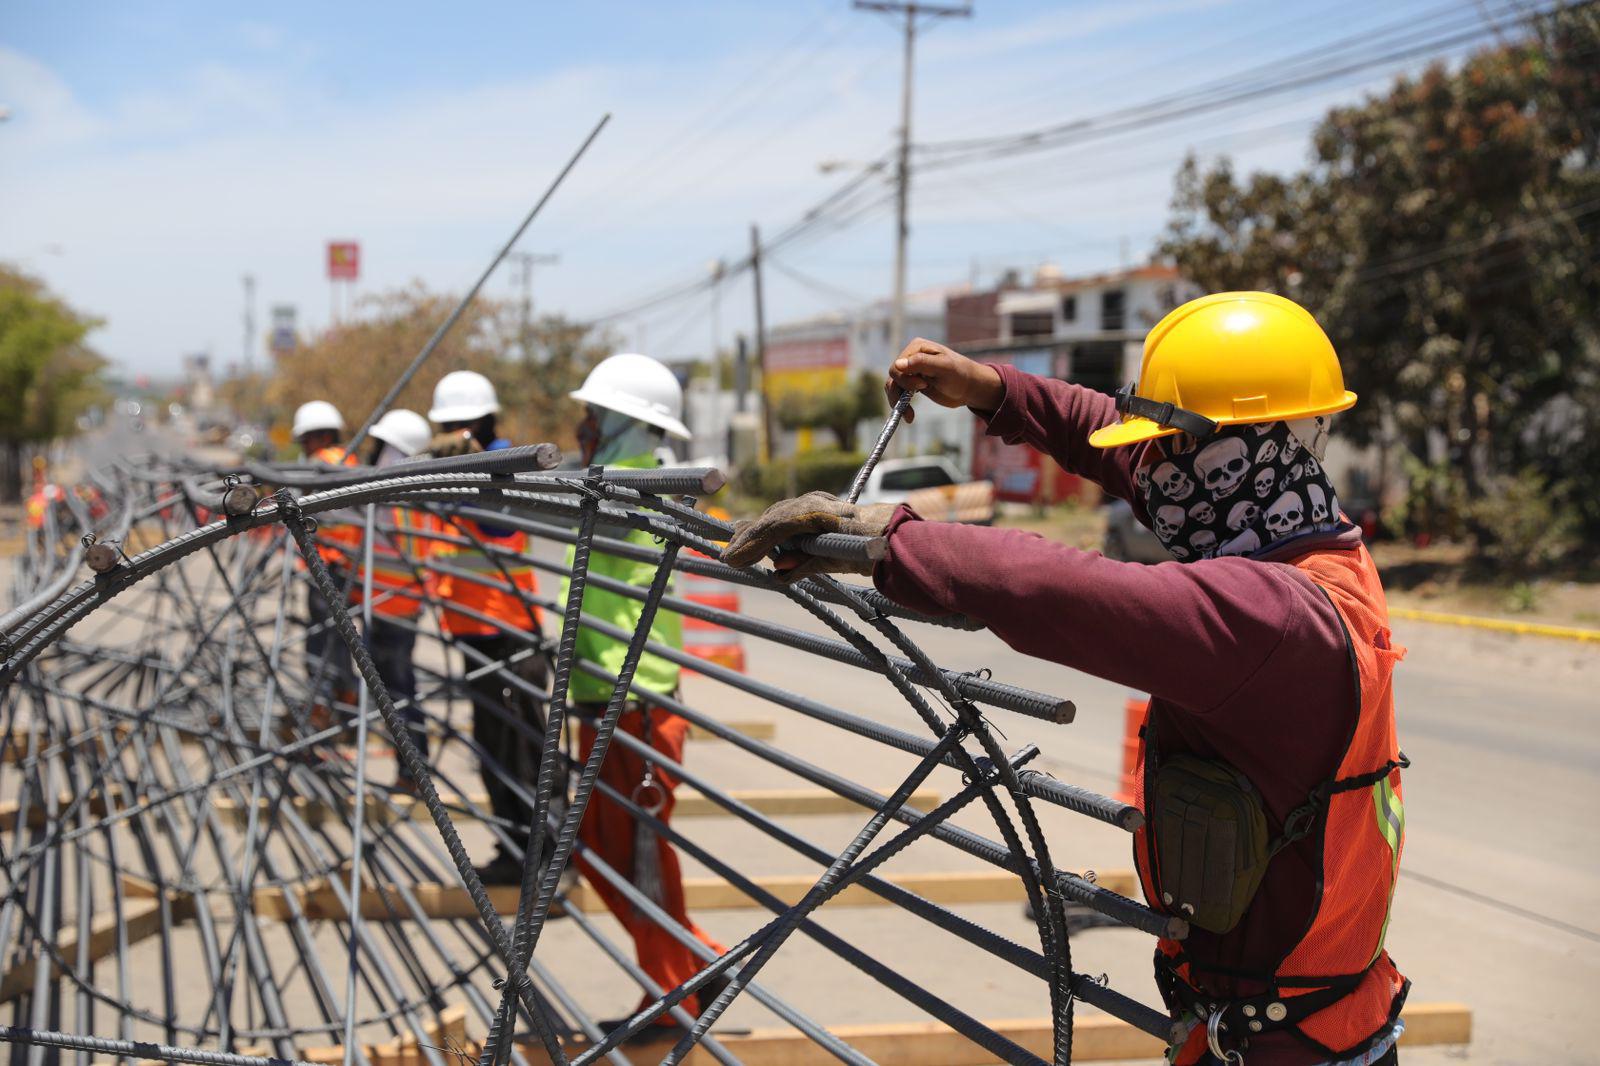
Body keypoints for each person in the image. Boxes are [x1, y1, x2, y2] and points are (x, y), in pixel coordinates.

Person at [725, 292, 1408, 1066]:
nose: (1152, 473)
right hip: (1287, 1020)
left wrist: (893, 543)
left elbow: (1069, 591)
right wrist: (993, 390)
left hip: (1291, 1047)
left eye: (1172, 451)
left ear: (1244, 449)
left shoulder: (1277, 619)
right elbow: (1112, 440)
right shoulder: (1306, 541)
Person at [564, 352, 728, 1029]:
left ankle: (672, 995)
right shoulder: (619, 478)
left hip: (637, 700)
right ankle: (702, 961)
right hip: (609, 694)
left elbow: (584, 500)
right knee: (601, 849)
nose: (583, 425)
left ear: (626, 423)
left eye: (594, 414)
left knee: (639, 856)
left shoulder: (635, 482)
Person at [422, 371, 550, 883]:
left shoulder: (502, 458)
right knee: (493, 745)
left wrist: (457, 486)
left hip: (507, 625)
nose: (446, 434)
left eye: (453, 424)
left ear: (475, 421)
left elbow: (503, 522)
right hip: (475, 625)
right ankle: (516, 849)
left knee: (521, 744)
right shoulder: (464, 461)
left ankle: (538, 857)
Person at [354, 408, 434, 791]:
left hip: (397, 606)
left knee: (399, 690)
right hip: (385, 602)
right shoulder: (401, 488)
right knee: (391, 690)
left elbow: (414, 554)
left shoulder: (405, 492)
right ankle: (409, 762)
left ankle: (413, 768)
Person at [292, 400, 360, 727]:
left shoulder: (321, 465)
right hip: (348, 565)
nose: (304, 448)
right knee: (340, 636)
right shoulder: (351, 460)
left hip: (328, 565)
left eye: (305, 440)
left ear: (320, 436)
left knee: (320, 638)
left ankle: (323, 704)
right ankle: (345, 699)